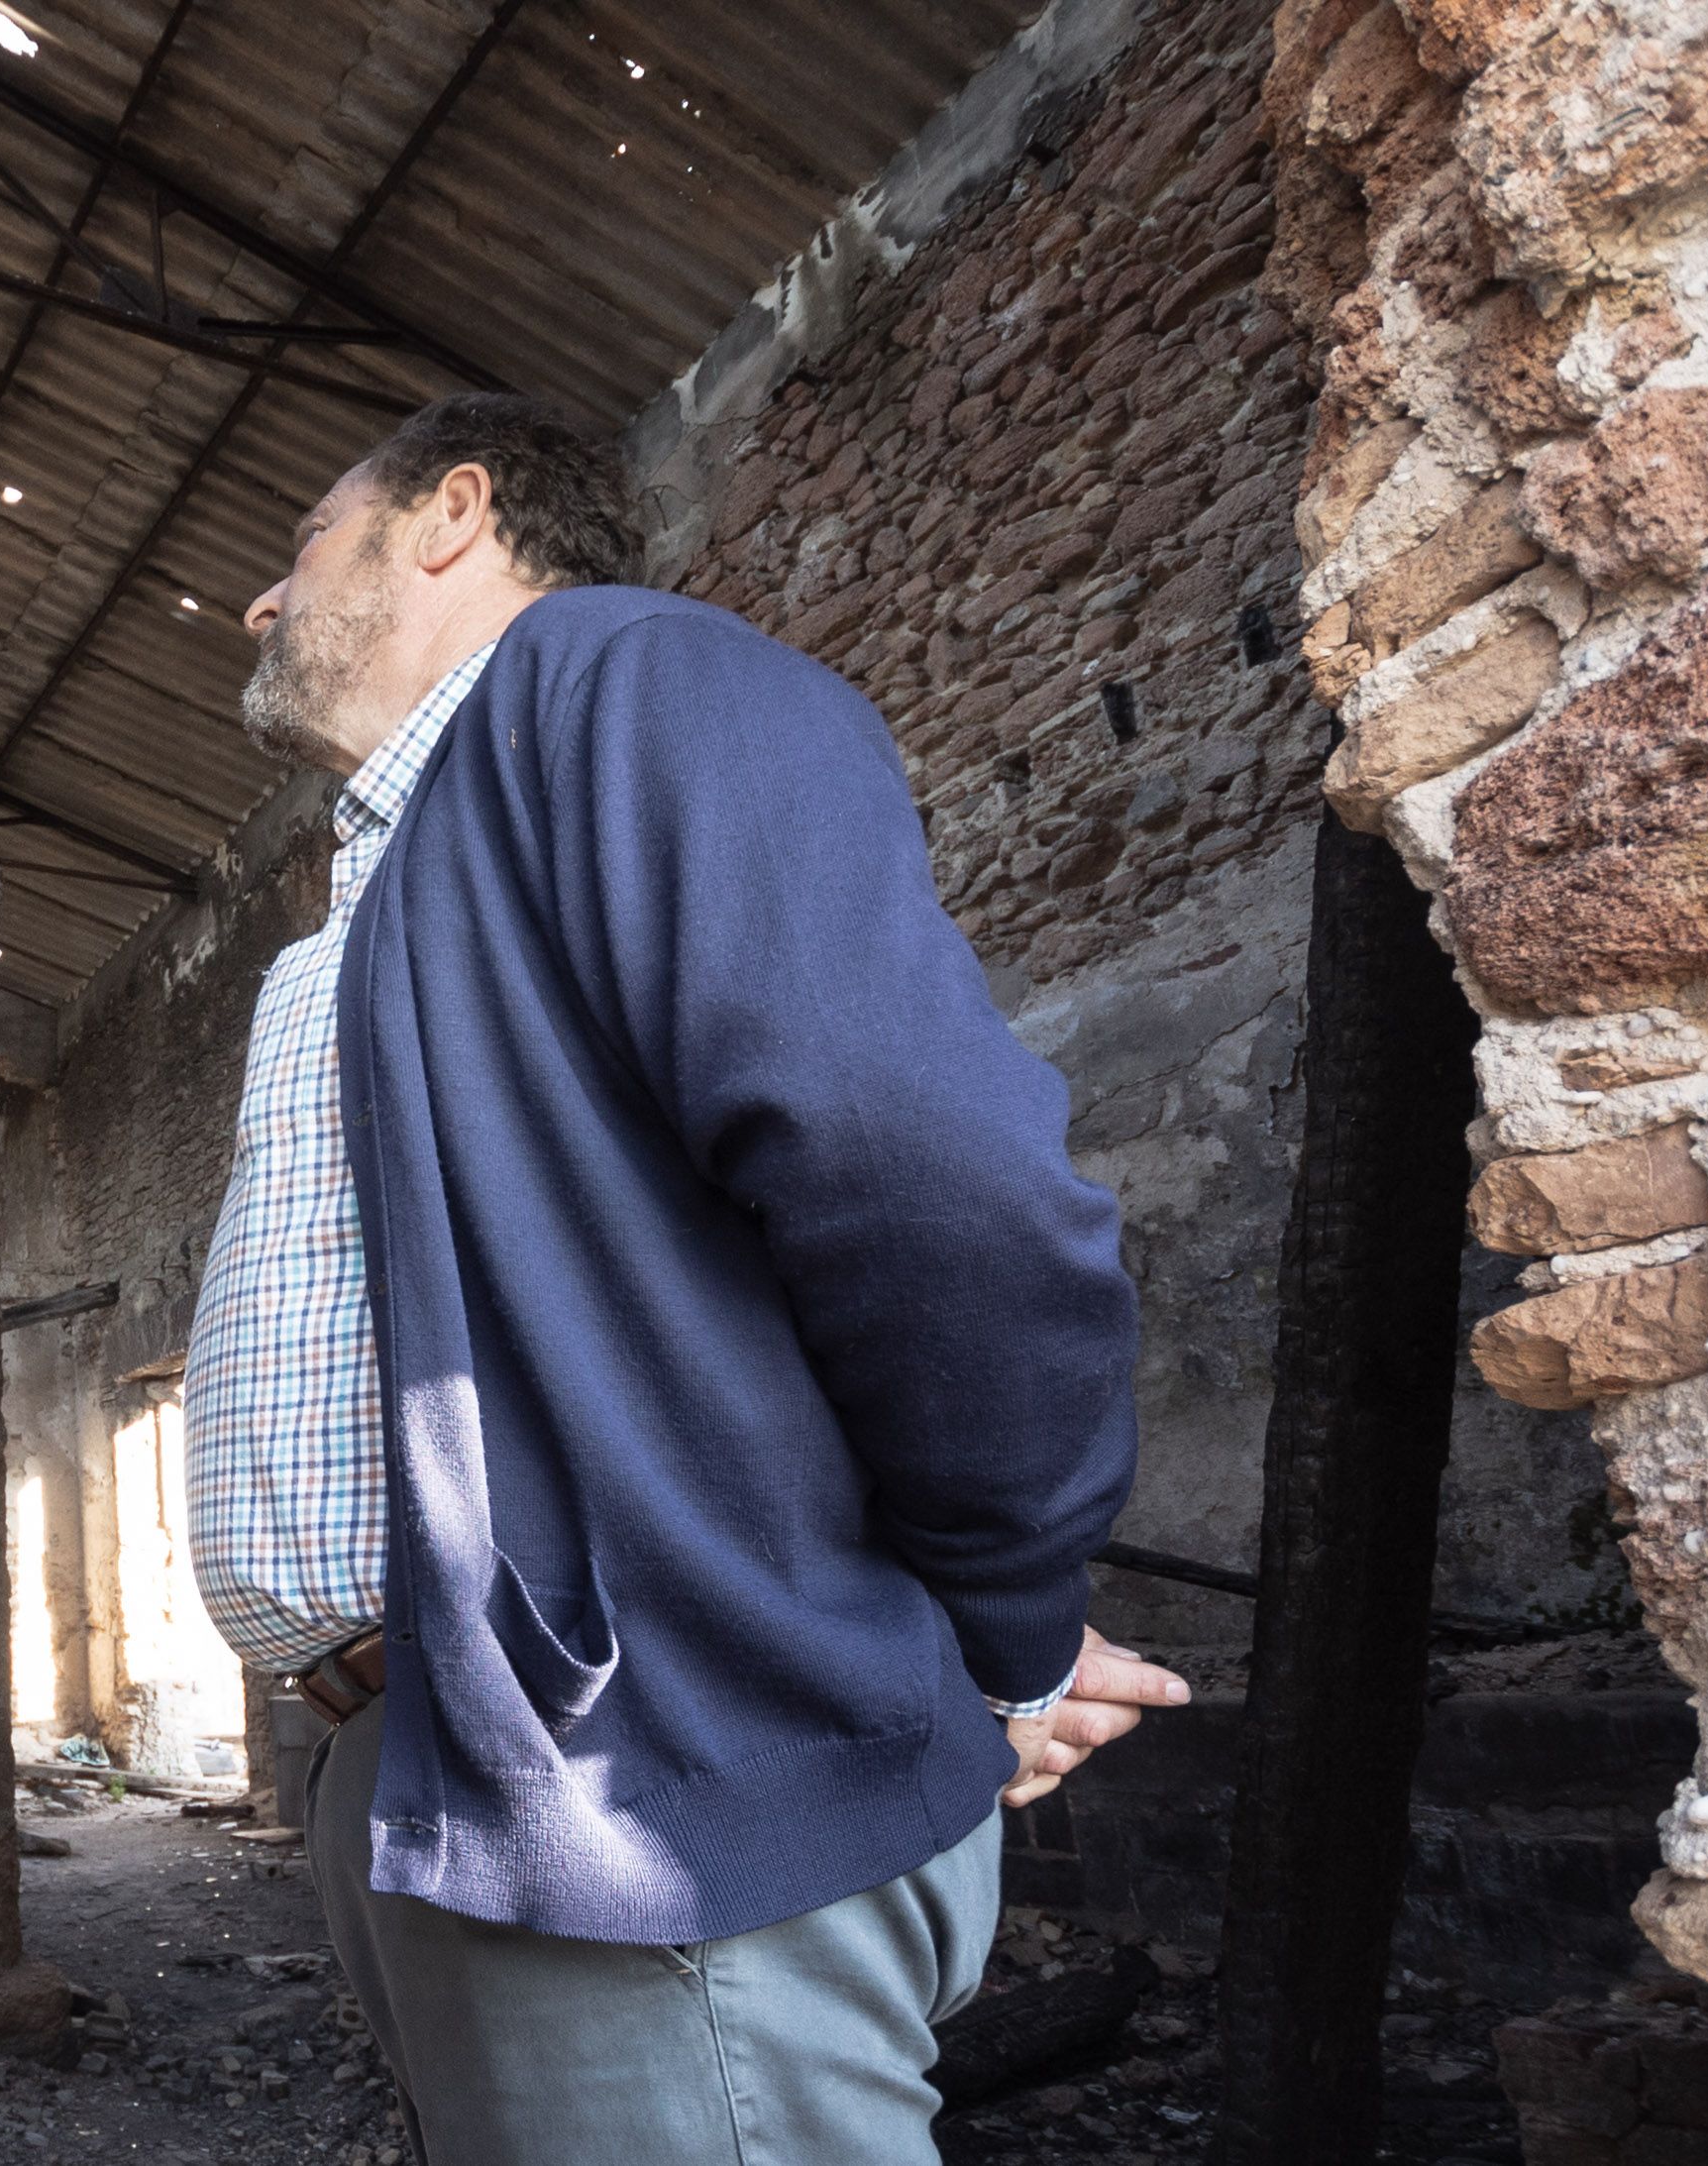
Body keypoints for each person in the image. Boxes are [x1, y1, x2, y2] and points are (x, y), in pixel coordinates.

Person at [178, 392, 1191, 2164]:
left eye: (302, 546)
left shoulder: (628, 686)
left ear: (452, 516)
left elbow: (931, 1178)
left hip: (636, 1798)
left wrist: (1011, 1633)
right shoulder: (398, 875)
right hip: (432, 1769)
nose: (263, 604)